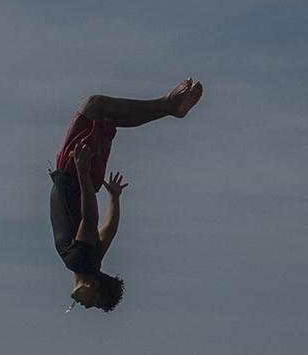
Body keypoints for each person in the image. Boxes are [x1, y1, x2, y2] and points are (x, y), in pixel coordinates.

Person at [49, 78, 204, 313]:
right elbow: (91, 219)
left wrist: (114, 198)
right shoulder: (79, 260)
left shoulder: (91, 261)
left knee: (105, 116)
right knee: (95, 106)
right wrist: (82, 175)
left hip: (81, 176)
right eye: (94, 302)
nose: (87, 306)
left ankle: (169, 107)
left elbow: (109, 229)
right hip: (75, 174)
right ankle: (168, 106)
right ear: (95, 286)